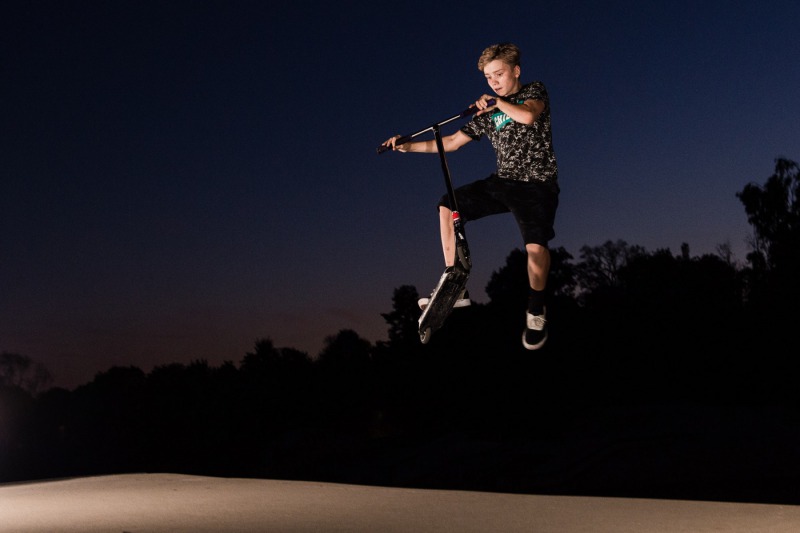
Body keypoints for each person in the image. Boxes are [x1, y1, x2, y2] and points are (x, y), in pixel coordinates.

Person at [381, 42, 559, 350]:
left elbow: (528, 117)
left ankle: (536, 308)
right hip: (503, 182)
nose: (493, 82)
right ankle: (456, 281)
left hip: (536, 185)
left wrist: (498, 103)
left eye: (499, 74)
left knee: (535, 250)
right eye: (488, 77)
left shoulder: (534, 92)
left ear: (515, 71)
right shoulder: (488, 114)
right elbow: (450, 141)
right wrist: (407, 146)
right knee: (447, 204)